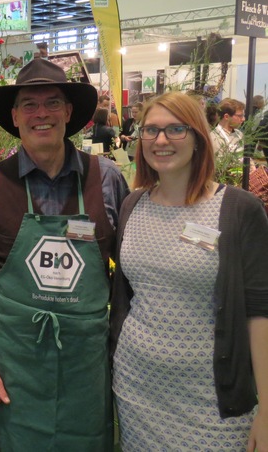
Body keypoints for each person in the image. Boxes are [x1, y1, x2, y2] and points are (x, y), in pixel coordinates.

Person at [0, 58, 129, 450]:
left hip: (87, 360)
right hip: (18, 363)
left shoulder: (106, 180)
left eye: (52, 103)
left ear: (69, 112)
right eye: (29, 106)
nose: (42, 114)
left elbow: (128, 274)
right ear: (15, 117)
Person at [110, 91, 268, 450]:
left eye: (176, 130)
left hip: (213, 399)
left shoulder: (238, 209)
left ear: (198, 138)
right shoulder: (132, 205)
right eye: (150, 131)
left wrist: (267, 411)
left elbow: (260, 312)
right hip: (137, 389)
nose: (161, 140)